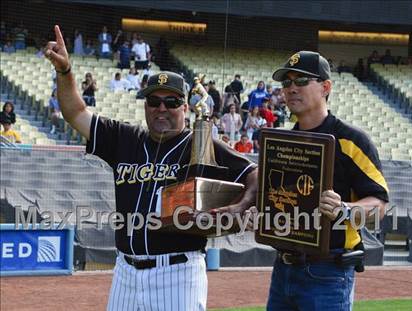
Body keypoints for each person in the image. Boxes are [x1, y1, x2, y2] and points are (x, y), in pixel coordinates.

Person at [44, 25, 258, 311]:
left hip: (178, 273)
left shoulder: (201, 143)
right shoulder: (124, 138)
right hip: (125, 272)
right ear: (145, 105)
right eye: (154, 100)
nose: (161, 108)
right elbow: (75, 112)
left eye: (171, 101)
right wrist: (65, 71)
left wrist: (241, 206)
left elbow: (254, 173)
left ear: (184, 107)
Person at [266, 50, 389, 310]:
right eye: (286, 83)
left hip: (328, 273)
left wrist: (344, 210)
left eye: (301, 81)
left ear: (325, 87)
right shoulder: (281, 144)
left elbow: (379, 206)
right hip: (282, 268)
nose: (291, 88)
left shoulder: (351, 140)